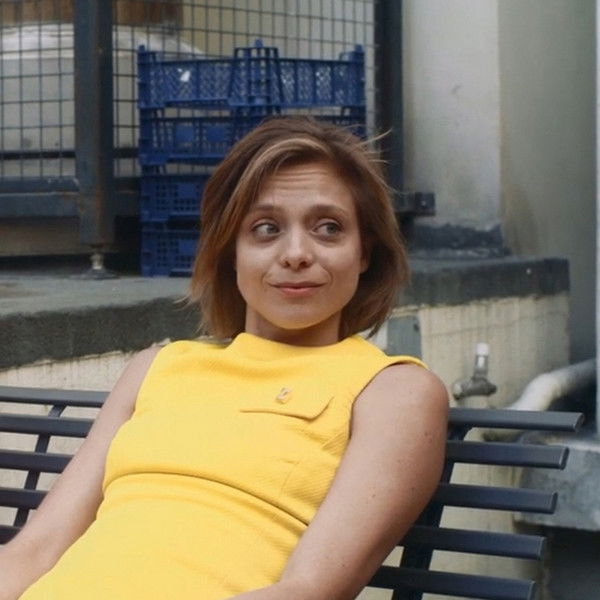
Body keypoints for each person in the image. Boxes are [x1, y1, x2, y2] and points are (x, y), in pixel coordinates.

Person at [1, 116, 448, 600]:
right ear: (231, 251)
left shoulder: (393, 392)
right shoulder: (158, 367)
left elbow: (308, 591)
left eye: (328, 228)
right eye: (266, 229)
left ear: (364, 253)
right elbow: (34, 552)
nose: (296, 253)